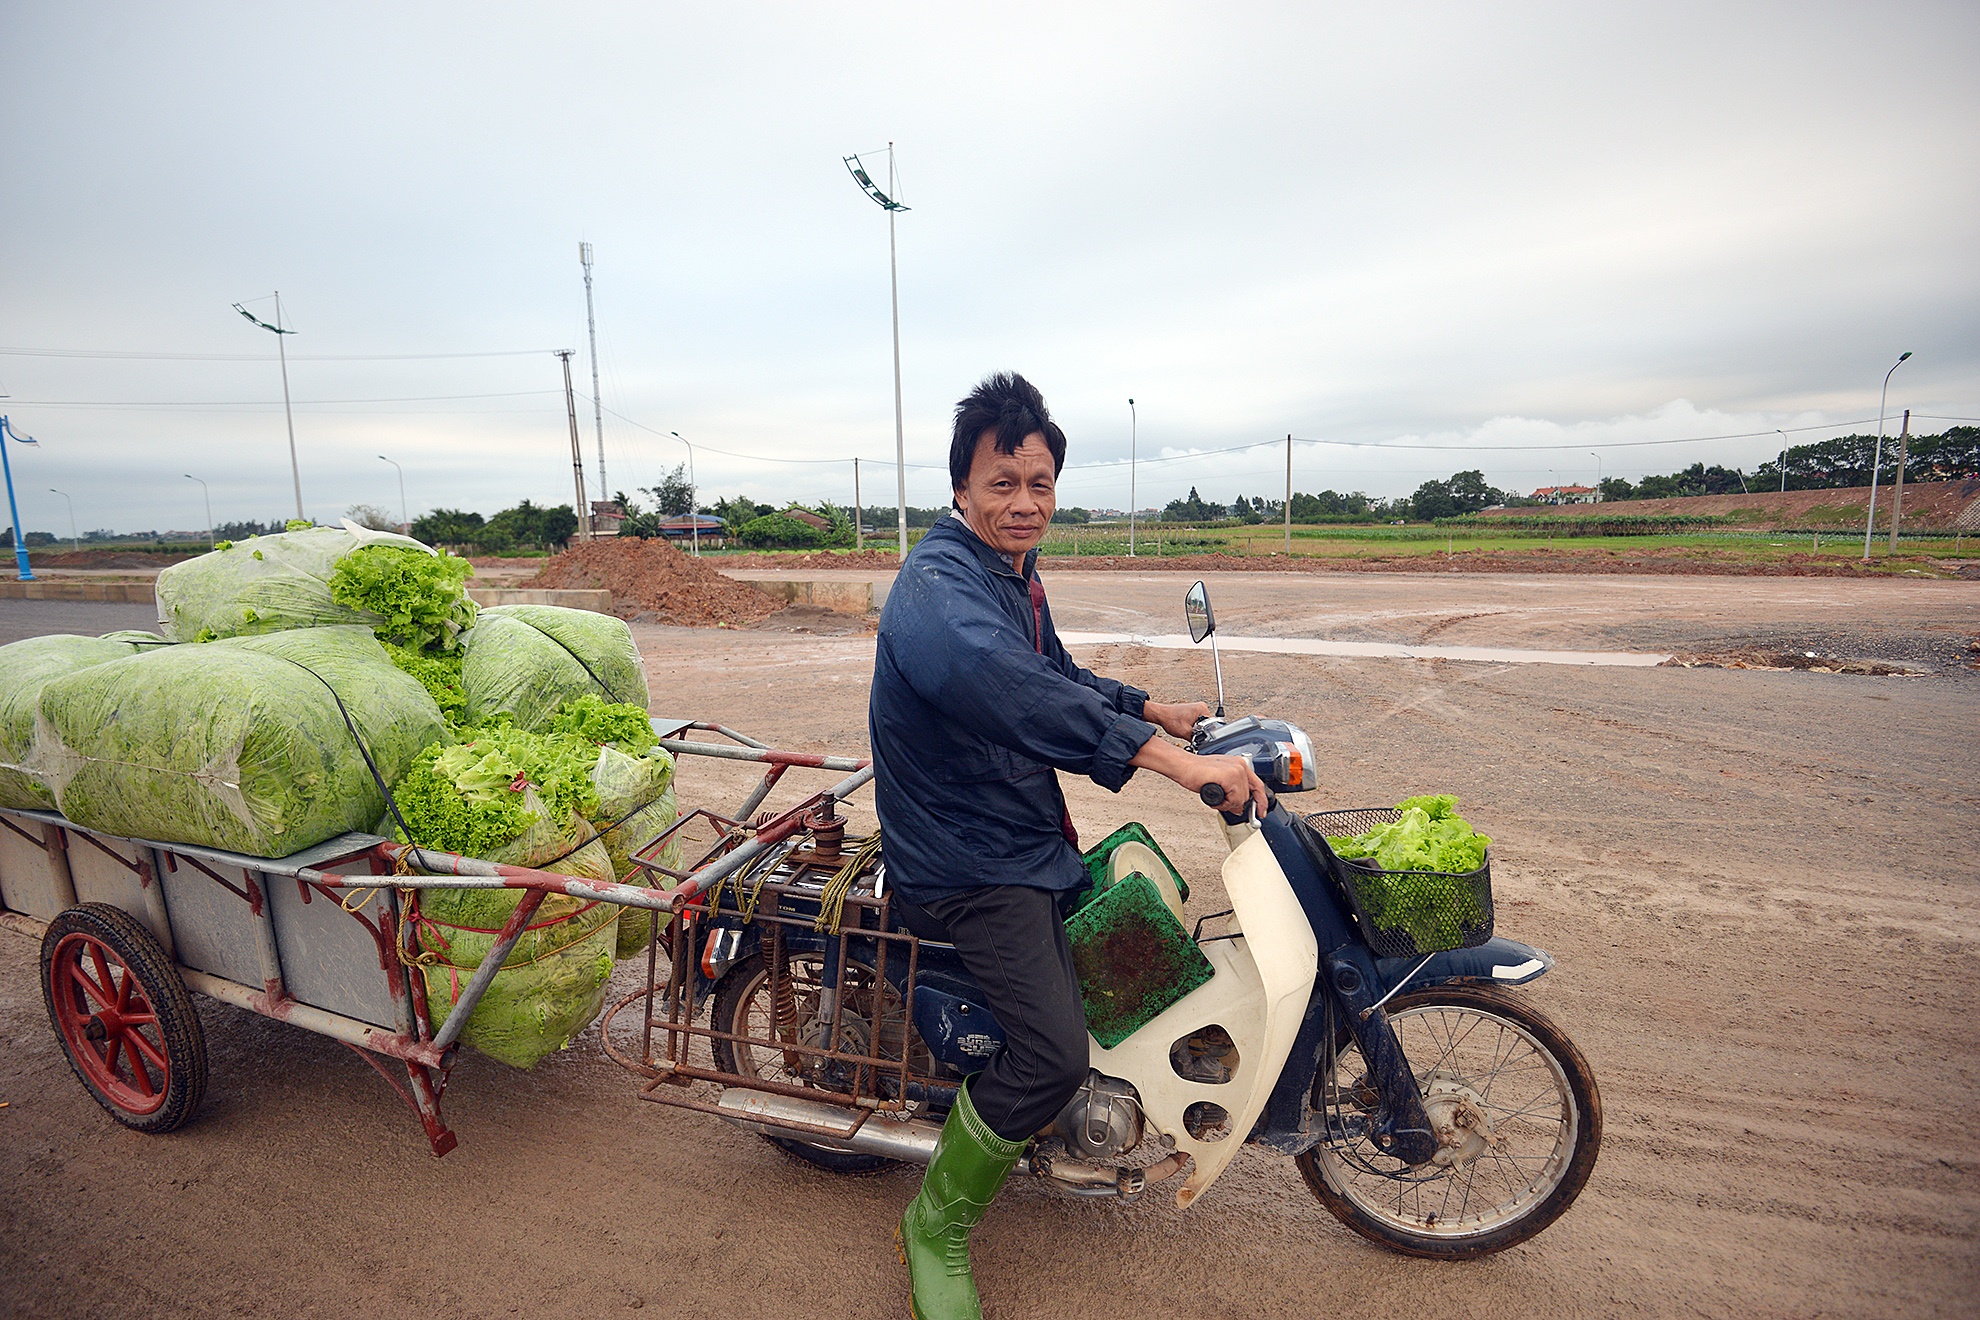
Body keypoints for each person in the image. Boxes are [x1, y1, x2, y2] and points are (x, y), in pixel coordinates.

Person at [870, 371, 1268, 1320]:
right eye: (1002, 484)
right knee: (1049, 1055)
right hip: (967, 860)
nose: (1024, 503)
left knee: (1132, 940)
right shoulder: (939, 592)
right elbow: (1011, 689)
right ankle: (935, 1223)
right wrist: (1173, 762)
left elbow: (1053, 672)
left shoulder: (1010, 575)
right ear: (961, 488)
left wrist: (1146, 707)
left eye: (1039, 483)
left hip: (1014, 827)